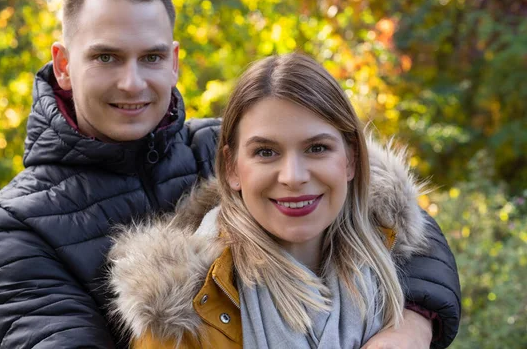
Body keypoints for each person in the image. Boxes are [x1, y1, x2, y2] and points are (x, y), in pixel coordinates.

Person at [0, 0, 460, 349]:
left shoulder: (226, 147)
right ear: (64, 65)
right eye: (106, 57)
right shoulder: (18, 221)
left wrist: (411, 325)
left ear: (174, 61)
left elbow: (396, 222)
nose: (132, 82)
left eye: (151, 57)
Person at [107, 53, 441, 348]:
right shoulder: (182, 314)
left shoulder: (393, 273)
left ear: (351, 160)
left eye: (317, 148)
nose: (293, 176)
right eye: (266, 152)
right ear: (232, 167)